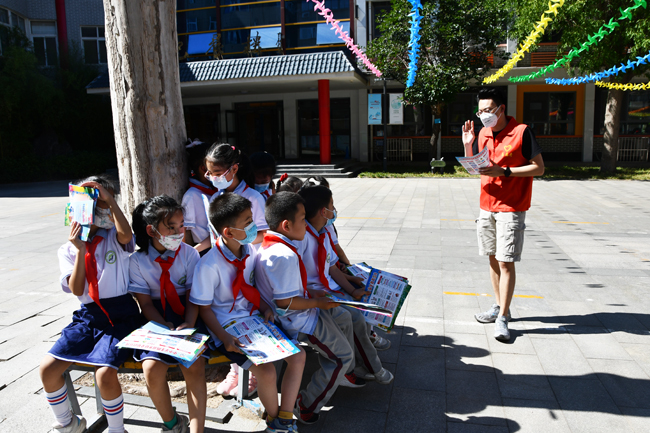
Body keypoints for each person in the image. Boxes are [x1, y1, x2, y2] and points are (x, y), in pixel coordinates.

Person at [190, 192, 306, 433]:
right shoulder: (208, 264)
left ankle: (284, 417)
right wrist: (224, 337)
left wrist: (264, 308)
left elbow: (250, 287)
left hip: (254, 320)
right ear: (228, 232)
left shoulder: (250, 251)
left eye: (251, 219)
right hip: (227, 329)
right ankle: (276, 422)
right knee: (267, 371)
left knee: (298, 356)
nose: (254, 226)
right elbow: (204, 309)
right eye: (247, 222)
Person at [39, 174, 141, 433]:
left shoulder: (114, 237)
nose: (105, 208)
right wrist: (81, 251)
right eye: (100, 202)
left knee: (104, 373)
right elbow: (76, 289)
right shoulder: (68, 249)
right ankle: (68, 423)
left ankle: (117, 429)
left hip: (121, 315)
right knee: (48, 368)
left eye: (109, 201)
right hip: (89, 316)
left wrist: (111, 203)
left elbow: (126, 235)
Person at [255, 192, 351, 425]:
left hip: (305, 310)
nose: (306, 224)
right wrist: (317, 302)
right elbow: (285, 303)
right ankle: (306, 405)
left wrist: (311, 294)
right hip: (300, 320)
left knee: (345, 323)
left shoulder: (271, 245)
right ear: (286, 225)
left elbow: (287, 290)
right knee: (342, 357)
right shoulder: (284, 255)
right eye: (302, 219)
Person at [461, 87, 544, 342]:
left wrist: (505, 171)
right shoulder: (483, 133)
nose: (484, 115)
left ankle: (503, 317)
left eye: (488, 110)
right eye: (480, 111)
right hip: (486, 205)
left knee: (506, 261)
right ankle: (498, 306)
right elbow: (475, 169)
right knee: (493, 259)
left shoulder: (522, 132)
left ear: (501, 109)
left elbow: (539, 168)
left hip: (511, 207)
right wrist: (468, 146)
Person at [297, 186, 394, 384]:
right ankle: (370, 367)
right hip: (315, 296)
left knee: (363, 308)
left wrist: (352, 290)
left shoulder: (323, 233)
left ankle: (362, 363)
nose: (334, 210)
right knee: (355, 317)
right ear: (323, 211)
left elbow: (332, 267)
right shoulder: (302, 238)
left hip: (331, 289)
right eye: (332, 206)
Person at [129, 196, 206, 433]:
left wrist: (189, 323)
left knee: (194, 365)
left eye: (181, 225)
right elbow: (145, 304)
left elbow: (193, 296)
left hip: (188, 313)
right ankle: (172, 423)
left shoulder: (189, 254)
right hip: (156, 318)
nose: (178, 232)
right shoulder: (137, 261)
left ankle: (197, 430)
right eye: (171, 227)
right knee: (151, 369)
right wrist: (163, 326)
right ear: (151, 230)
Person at [205, 144, 268, 245]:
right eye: (210, 173)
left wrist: (234, 245)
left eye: (218, 174)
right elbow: (215, 236)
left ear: (234, 169)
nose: (213, 178)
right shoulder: (215, 198)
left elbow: (263, 233)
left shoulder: (253, 198)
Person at [181, 139, 216, 256]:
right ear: (204, 169)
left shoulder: (217, 190)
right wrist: (185, 257)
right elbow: (184, 231)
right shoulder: (192, 195)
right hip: (204, 252)